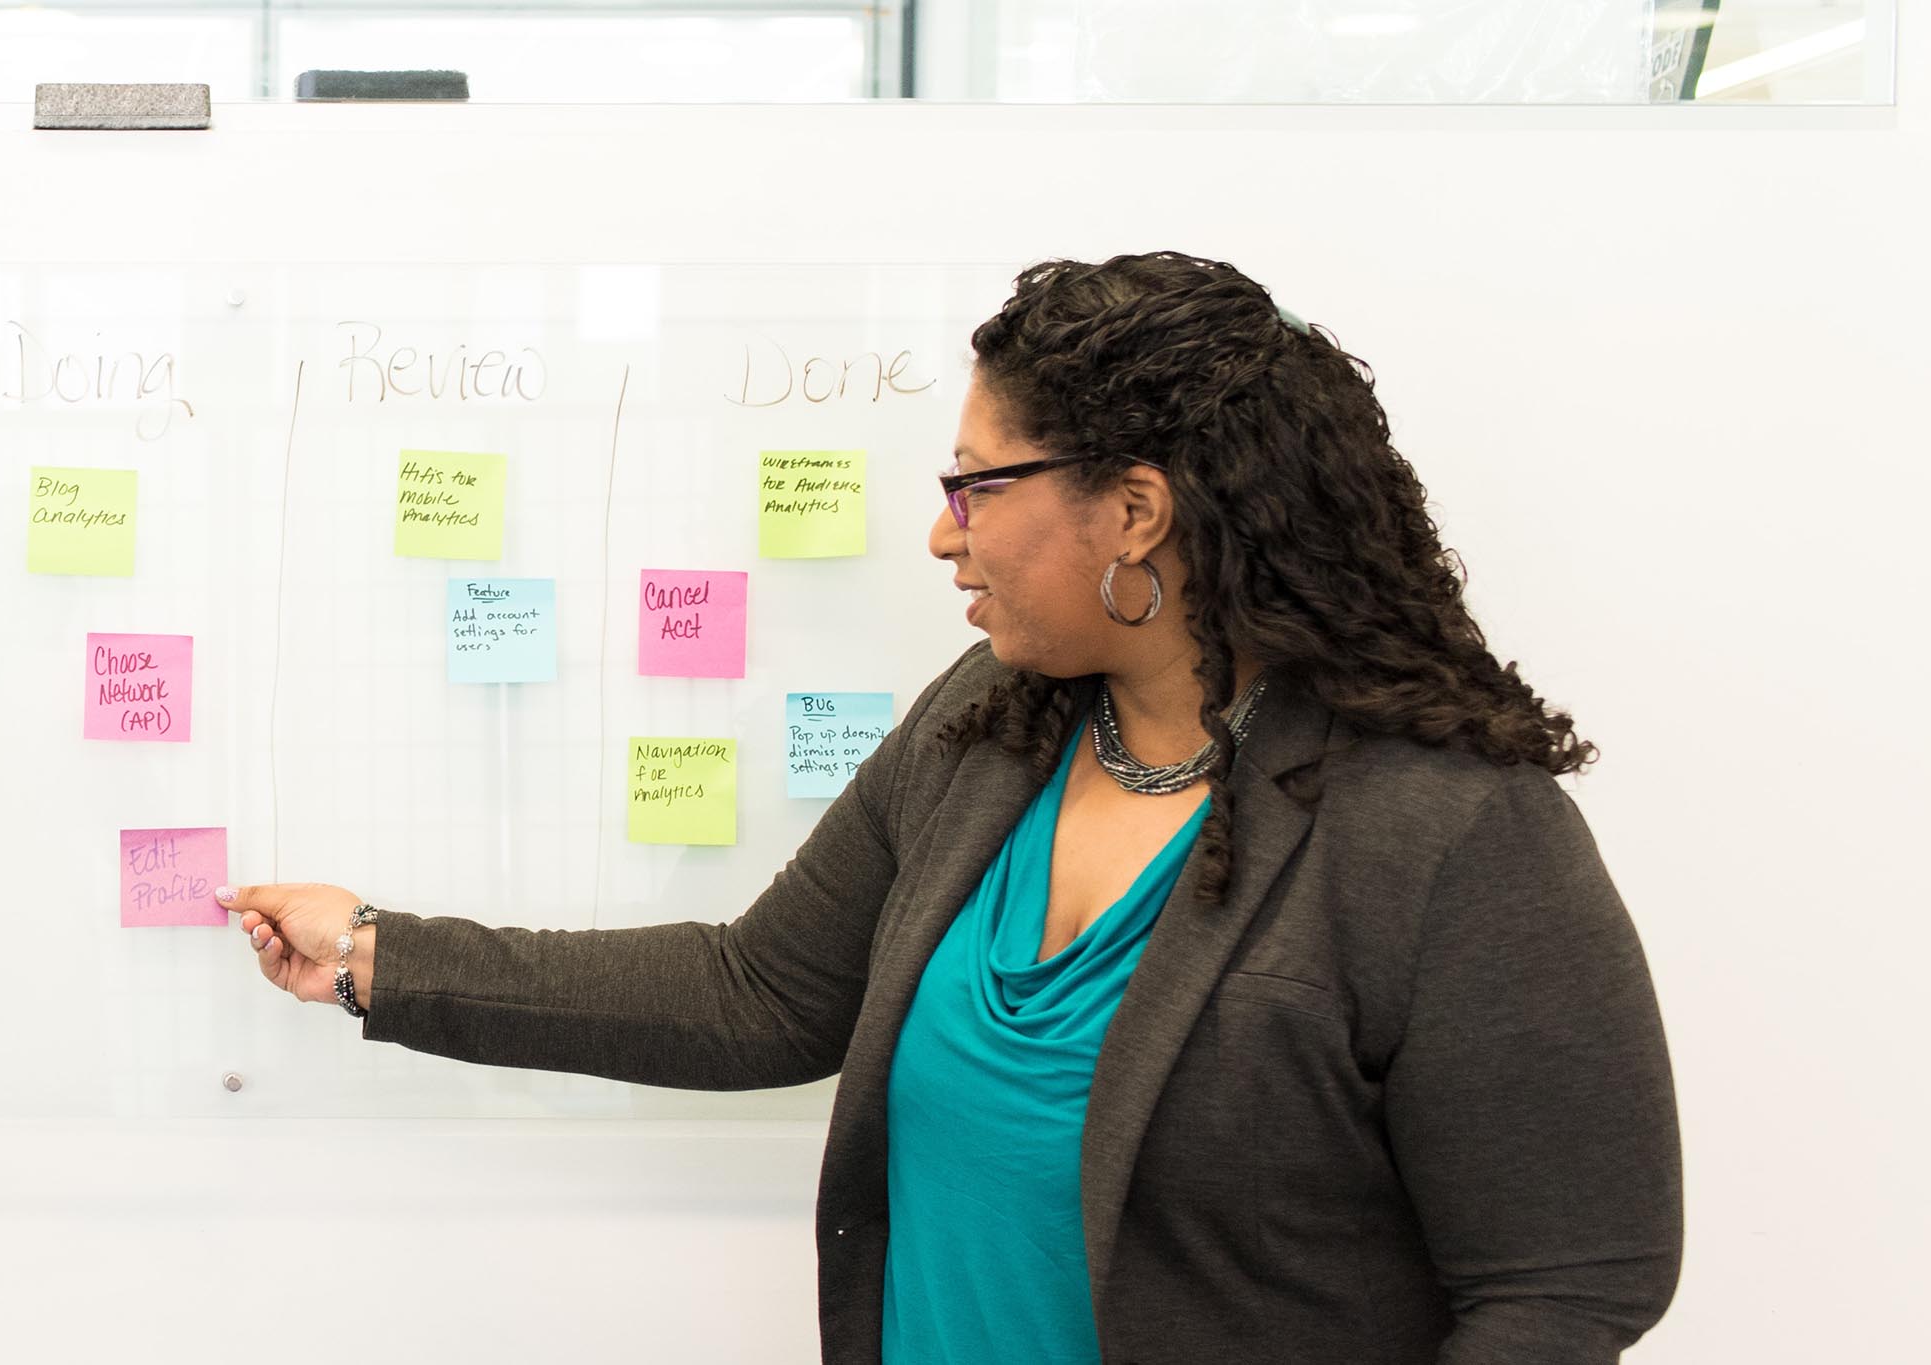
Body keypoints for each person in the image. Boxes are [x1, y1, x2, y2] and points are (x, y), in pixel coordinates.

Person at [226, 254, 1680, 1364]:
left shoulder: (1441, 830)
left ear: (1133, 512)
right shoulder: (984, 729)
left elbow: (1570, 1278)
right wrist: (377, 951)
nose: (940, 530)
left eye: (974, 485)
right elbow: (755, 994)